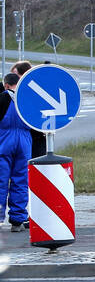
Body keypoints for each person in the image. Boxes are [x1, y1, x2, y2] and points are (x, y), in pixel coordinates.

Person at [0, 72, 32, 231]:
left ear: (6, 85)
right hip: (24, 142)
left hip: (3, 141)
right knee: (21, 180)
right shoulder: (25, 100)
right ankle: (18, 220)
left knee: (1, 181)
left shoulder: (2, 98)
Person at [9, 61, 46, 158]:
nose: (12, 80)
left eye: (15, 76)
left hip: (35, 140)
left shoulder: (38, 93)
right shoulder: (10, 95)